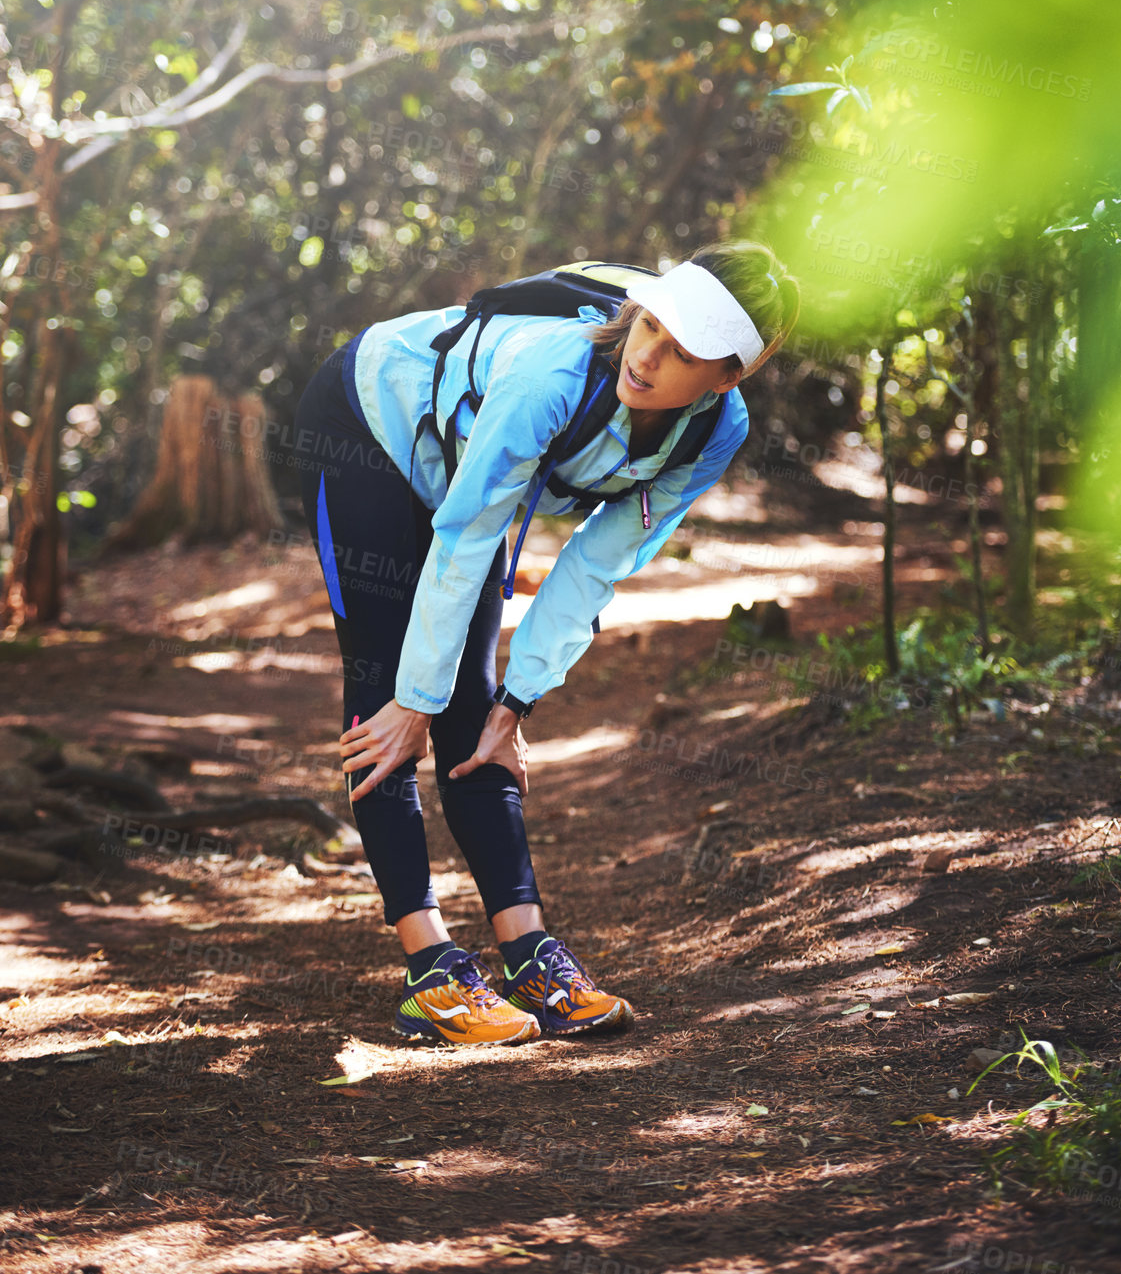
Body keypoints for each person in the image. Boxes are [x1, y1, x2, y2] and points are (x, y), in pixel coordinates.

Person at [293, 240, 799, 1046]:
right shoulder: (553, 372)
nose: (648, 355)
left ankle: (527, 952)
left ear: (725, 377)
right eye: (651, 326)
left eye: (681, 352)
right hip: (369, 422)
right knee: (389, 698)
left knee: (480, 708)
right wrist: (414, 699)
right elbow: (465, 537)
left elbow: (600, 562)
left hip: (472, 466)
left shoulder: (713, 432)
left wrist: (520, 698)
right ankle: (428, 972)